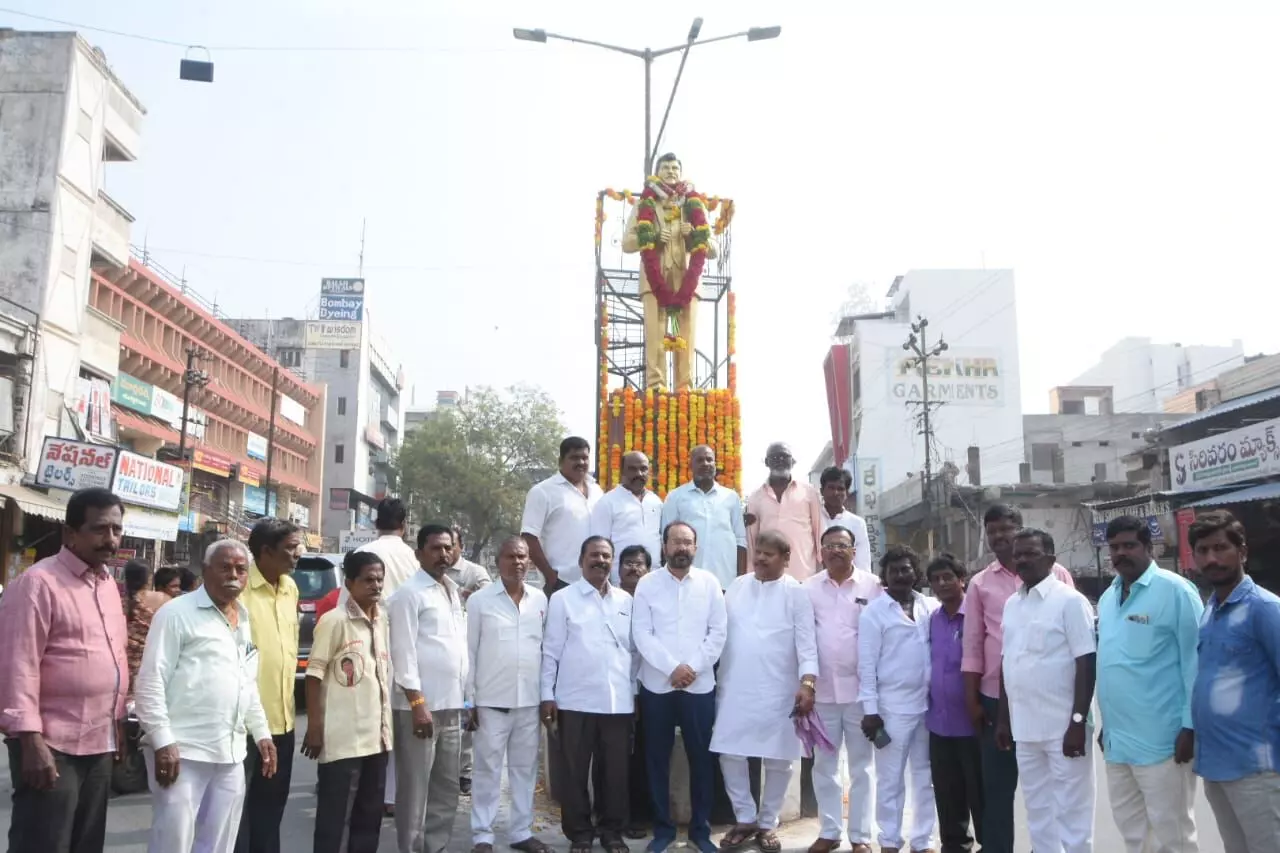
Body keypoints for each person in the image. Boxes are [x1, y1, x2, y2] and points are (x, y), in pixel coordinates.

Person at [0, 487, 130, 853]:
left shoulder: (107, 585)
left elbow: (113, 658)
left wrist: (117, 723)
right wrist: (30, 740)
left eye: (117, 530)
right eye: (100, 529)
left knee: (86, 843)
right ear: (70, 533)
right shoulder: (37, 584)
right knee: (44, 842)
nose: (111, 539)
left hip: (99, 740)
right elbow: (16, 665)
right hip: (51, 743)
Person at [135, 539, 277, 853]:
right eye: (225, 567)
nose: (233, 575)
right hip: (182, 751)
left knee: (219, 843)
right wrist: (162, 740)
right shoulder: (176, 614)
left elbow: (245, 681)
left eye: (241, 569)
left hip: (231, 753)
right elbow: (150, 681)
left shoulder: (243, 616)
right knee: (173, 841)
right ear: (205, 570)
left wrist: (261, 732)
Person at [961, 504, 1076, 853]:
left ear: (1021, 529)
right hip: (997, 700)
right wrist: (973, 701)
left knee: (1054, 788)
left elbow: (1077, 645)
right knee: (997, 787)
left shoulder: (1059, 576)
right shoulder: (980, 583)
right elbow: (972, 647)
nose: (998, 537)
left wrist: (1078, 711)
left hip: (1049, 699)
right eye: (992, 531)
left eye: (1005, 529)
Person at [1095, 515, 1202, 853]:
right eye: (1114, 547)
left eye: (1129, 545)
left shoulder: (1176, 591)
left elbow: (1196, 663)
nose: (1121, 553)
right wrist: (1106, 725)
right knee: (1134, 835)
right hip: (1118, 743)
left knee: (1174, 836)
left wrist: (1190, 726)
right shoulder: (1109, 598)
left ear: (1148, 547)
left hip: (1164, 742)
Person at [712, 531, 819, 853]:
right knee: (730, 750)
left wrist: (807, 683)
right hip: (736, 685)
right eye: (758, 552)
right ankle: (745, 817)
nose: (759, 558)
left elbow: (807, 643)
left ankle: (768, 822)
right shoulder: (738, 586)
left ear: (785, 560)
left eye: (768, 554)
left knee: (779, 758)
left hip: (779, 688)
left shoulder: (796, 593)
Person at [996, 529, 1097, 853]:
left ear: (1051, 559)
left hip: (1063, 728)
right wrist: (1003, 720)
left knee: (1073, 813)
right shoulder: (1012, 604)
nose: (1022, 560)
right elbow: (1006, 663)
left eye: (1031, 554)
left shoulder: (1070, 601)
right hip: (1025, 730)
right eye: (1018, 554)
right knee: (1038, 812)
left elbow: (1086, 663)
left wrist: (1078, 721)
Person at [633, 521, 728, 853]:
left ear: (696, 548)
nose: (681, 548)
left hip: (698, 687)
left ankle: (701, 831)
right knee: (656, 759)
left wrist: (692, 668)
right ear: (664, 546)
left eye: (687, 542)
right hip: (657, 687)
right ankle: (663, 830)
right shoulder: (647, 584)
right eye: (676, 542)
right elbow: (642, 634)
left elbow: (718, 632)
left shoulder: (710, 583)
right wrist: (673, 668)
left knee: (701, 759)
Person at [1188, 510, 1280, 852]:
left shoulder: (1264, 608)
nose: (1212, 558)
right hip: (1216, 764)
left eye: (1220, 548)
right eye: (1202, 550)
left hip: (1257, 767)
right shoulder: (1211, 608)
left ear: (1242, 552)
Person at [541, 537, 636, 853]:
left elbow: (634, 653)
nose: (601, 560)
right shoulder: (563, 599)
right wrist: (547, 695)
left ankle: (611, 832)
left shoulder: (626, 601)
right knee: (575, 772)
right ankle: (580, 834)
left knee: (615, 774)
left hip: (618, 702)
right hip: (575, 700)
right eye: (594, 555)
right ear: (581, 560)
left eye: (606, 556)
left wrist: (634, 695)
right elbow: (551, 652)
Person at [302, 550, 393, 853]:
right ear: (349, 582)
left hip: (377, 740)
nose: (376, 586)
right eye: (368, 580)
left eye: (380, 579)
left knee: (368, 819)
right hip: (342, 742)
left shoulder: (382, 620)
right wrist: (315, 727)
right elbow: (314, 675)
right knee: (333, 821)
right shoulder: (335, 620)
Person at [466, 537, 551, 853]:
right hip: (491, 703)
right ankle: (482, 835)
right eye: (510, 556)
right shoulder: (479, 601)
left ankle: (520, 832)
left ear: (529, 561)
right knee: (487, 771)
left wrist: (546, 696)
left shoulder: (540, 600)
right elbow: (470, 652)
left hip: (529, 702)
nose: (517, 562)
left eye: (522, 557)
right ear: (497, 561)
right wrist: (468, 700)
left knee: (524, 771)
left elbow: (545, 651)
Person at [387, 524, 468, 853]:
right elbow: (402, 653)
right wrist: (417, 702)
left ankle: (435, 846)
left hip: (452, 706)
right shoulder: (408, 594)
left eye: (448, 548)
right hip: (419, 708)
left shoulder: (451, 590)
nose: (443, 554)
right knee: (415, 789)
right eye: (435, 548)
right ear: (419, 553)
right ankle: (411, 848)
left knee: (447, 786)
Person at [803, 525, 884, 853]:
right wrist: (806, 683)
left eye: (843, 545)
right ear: (821, 552)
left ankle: (861, 836)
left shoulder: (873, 585)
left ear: (854, 550)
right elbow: (804, 638)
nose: (836, 550)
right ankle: (830, 831)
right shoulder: (807, 588)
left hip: (862, 693)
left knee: (862, 766)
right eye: (830, 546)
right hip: (822, 693)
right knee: (824, 765)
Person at [858, 545, 939, 853]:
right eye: (894, 571)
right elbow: (866, 666)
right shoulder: (873, 613)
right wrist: (870, 711)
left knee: (925, 776)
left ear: (916, 573)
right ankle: (890, 841)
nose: (901, 575)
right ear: (885, 578)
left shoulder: (929, 606)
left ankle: (923, 841)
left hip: (928, 707)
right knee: (890, 780)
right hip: (890, 709)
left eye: (906, 569)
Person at [620, 151, 717, 391]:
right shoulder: (646, 204)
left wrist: (693, 235)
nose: (671, 171)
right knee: (655, 334)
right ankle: (656, 385)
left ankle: (685, 386)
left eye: (675, 168)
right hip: (655, 276)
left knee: (687, 334)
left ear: (680, 173)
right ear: (657, 172)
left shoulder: (694, 205)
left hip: (688, 277)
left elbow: (712, 249)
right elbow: (627, 243)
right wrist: (652, 237)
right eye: (666, 168)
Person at [235, 518, 302, 853]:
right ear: (265, 551)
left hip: (284, 722)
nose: (297, 554)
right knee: (240, 816)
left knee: (271, 811)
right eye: (290, 548)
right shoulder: (239, 591)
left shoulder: (290, 588)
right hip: (246, 726)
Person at [354, 497, 422, 813]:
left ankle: (373, 790)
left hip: (371, 641)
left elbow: (349, 606)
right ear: (404, 525)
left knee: (373, 719)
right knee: (398, 721)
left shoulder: (363, 555)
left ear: (375, 523)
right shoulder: (413, 557)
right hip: (408, 644)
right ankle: (393, 795)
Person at [925, 553, 984, 853]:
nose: (942, 583)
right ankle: (955, 846)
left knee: (980, 792)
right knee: (948, 795)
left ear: (962, 580)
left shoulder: (976, 616)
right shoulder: (931, 619)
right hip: (939, 724)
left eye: (948, 576)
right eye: (936, 579)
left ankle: (992, 843)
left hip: (972, 722)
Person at [522, 436, 604, 592]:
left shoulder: (597, 491)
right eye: (574, 458)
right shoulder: (543, 492)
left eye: (584, 458)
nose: (581, 462)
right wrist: (550, 575)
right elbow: (529, 537)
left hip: (595, 581)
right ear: (561, 460)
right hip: (561, 581)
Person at [446, 524, 493, 796]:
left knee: (466, 715)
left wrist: (466, 594)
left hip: (471, 653)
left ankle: (464, 772)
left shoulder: (474, 573)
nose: (446, 551)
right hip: (446, 654)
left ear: (460, 547)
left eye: (451, 546)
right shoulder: (432, 574)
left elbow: (488, 600)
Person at [660, 444, 747, 590]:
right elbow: (666, 539)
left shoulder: (731, 497)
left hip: (725, 580)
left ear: (714, 464)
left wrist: (741, 579)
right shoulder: (675, 497)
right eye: (700, 460)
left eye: (709, 460)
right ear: (691, 465)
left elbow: (741, 540)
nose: (705, 464)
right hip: (686, 580)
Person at [611, 544, 654, 838]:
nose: (633, 568)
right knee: (617, 758)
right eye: (628, 563)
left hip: (648, 689)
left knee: (643, 755)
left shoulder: (653, 599)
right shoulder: (611, 600)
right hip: (615, 691)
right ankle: (617, 817)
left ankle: (640, 815)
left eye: (640, 564)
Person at [745, 442, 823, 581]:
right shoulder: (755, 497)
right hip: (769, 575)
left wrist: (824, 566)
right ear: (767, 462)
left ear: (793, 461)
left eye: (784, 456)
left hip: (803, 574)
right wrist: (752, 572)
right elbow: (752, 540)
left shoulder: (809, 492)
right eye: (774, 457)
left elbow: (819, 532)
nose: (779, 460)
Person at [591, 451, 663, 584]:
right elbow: (599, 547)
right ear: (622, 472)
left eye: (643, 469)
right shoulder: (607, 502)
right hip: (620, 582)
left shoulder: (656, 501)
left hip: (655, 580)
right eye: (632, 469)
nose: (639, 474)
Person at [123, 559, 174, 700]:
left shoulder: (118, 601)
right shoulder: (163, 599)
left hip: (123, 665)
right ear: (149, 578)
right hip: (152, 665)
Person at [356, 497, 422, 598]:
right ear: (404, 524)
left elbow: (346, 602)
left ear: (376, 523)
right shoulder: (416, 559)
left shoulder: (361, 553)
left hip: (368, 614)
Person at [817, 466, 872, 573]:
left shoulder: (857, 523)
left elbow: (863, 562)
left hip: (847, 583)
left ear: (847, 493)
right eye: (831, 488)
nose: (836, 493)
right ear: (822, 491)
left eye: (840, 489)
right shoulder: (812, 519)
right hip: (817, 584)